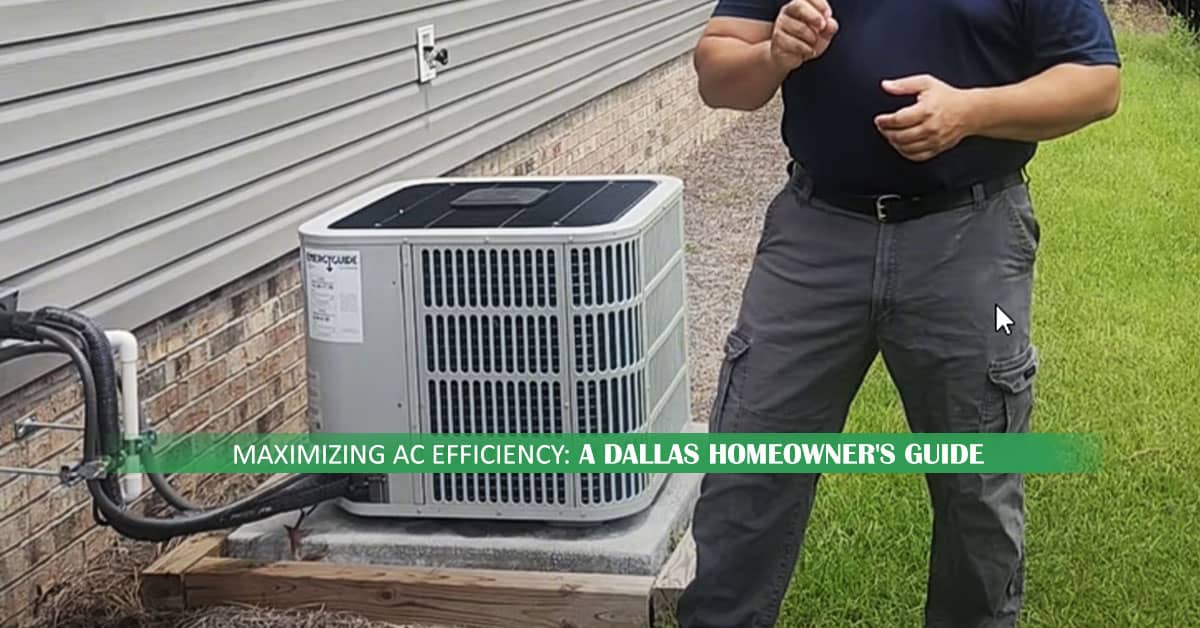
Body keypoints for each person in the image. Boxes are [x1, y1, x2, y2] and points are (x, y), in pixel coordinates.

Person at [678, 1, 1121, 627]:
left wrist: (971, 112)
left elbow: (1097, 83)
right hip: (813, 238)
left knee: (979, 482)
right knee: (750, 463)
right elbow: (716, 74)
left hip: (975, 246)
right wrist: (774, 54)